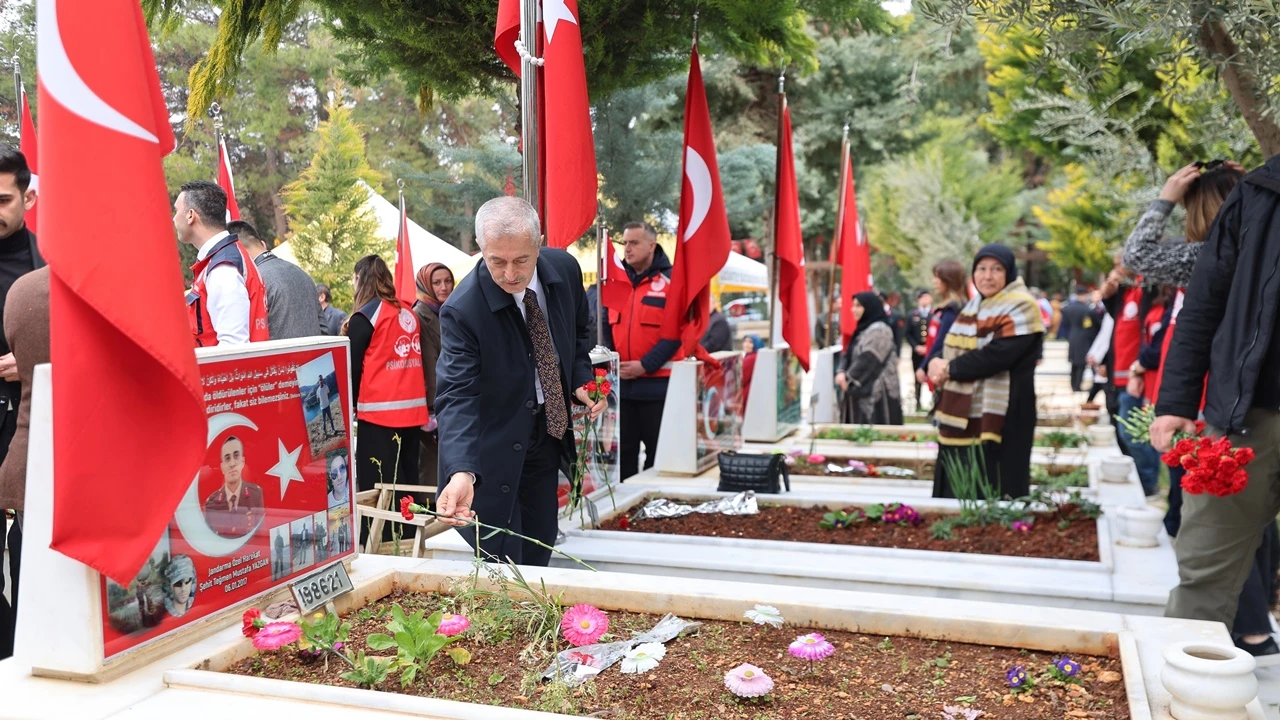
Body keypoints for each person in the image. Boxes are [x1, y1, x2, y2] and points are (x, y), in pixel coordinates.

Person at [1131, 160, 1280, 661]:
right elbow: (1203, 306)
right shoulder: (1259, 191)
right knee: (1206, 566)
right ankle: (1187, 691)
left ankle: (1255, 636)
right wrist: (1173, 402)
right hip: (1245, 412)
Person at [433, 196, 606, 566]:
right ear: (480, 249)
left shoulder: (565, 271)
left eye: (521, 260)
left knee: (541, 541)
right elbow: (456, 394)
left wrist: (580, 381)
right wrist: (461, 469)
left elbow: (577, 335)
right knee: (501, 554)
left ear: (539, 245)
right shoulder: (462, 310)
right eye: (497, 261)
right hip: (493, 446)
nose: (510, 273)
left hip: (547, 430)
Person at [928, 244, 1044, 499]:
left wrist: (948, 368)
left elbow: (997, 356)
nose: (987, 276)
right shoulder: (973, 307)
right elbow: (949, 346)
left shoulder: (1022, 306)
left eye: (996, 269)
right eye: (981, 269)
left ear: (1009, 273)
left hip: (1007, 411)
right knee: (959, 480)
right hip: (963, 411)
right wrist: (935, 361)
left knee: (997, 483)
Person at [345, 255, 428, 544]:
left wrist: (349, 407)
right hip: (412, 414)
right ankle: (406, 538)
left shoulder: (365, 317)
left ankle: (375, 541)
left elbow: (351, 368)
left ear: (361, 279)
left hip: (379, 415)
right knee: (407, 482)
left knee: (377, 484)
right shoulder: (407, 312)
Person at [601, 222, 682, 480]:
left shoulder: (672, 283)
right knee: (623, 458)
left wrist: (645, 365)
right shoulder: (616, 282)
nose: (627, 249)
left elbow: (676, 334)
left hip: (657, 388)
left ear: (651, 245)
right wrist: (613, 365)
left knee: (657, 459)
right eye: (625, 243)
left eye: (634, 243)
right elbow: (605, 326)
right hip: (622, 390)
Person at [0, 147, 40, 660]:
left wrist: (30, 360)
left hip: (32, 425)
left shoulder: (49, 265)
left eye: (3, 199)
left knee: (28, 550)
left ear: (28, 198)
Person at [175, 181, 269, 346]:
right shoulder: (225, 258)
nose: (174, 218)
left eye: (176, 211)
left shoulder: (223, 268)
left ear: (190, 215)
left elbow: (233, 347)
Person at [231, 220, 323, 339]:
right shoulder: (303, 274)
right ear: (263, 244)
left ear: (238, 254)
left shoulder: (253, 283)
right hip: (317, 355)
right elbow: (324, 329)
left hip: (277, 356)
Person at [413, 262, 455, 492]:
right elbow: (429, 364)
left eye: (448, 281)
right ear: (426, 285)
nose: (444, 287)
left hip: (451, 397)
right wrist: (431, 407)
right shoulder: (421, 314)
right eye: (437, 282)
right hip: (434, 403)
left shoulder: (450, 311)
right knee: (431, 468)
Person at [836, 291, 903, 424]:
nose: (853, 309)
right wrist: (841, 371)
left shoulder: (880, 330)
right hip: (861, 388)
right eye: (853, 305)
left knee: (876, 435)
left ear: (869, 308)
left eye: (858, 306)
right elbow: (849, 353)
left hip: (878, 393)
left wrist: (849, 379)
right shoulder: (862, 329)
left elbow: (869, 360)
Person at [916, 260, 968, 401]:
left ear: (949, 280)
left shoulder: (953, 309)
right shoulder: (944, 308)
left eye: (938, 277)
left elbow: (941, 341)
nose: (934, 282)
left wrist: (924, 366)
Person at [203, 436, 266, 538]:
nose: (232, 464)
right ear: (222, 467)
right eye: (227, 459)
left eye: (236, 456)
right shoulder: (211, 504)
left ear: (243, 462)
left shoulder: (256, 495)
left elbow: (261, 535)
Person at [1058, 286, 1099, 391]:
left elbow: (1065, 324)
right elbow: (1092, 325)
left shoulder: (1068, 308)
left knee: (1074, 362)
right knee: (1081, 362)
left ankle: (1073, 384)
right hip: (1084, 337)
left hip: (1072, 335)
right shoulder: (1087, 310)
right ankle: (1077, 385)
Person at [906, 290, 933, 410]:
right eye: (922, 298)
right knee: (917, 376)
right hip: (917, 351)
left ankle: (934, 402)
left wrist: (929, 347)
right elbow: (907, 333)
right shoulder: (912, 314)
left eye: (927, 297)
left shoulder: (935, 314)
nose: (925, 300)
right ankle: (917, 403)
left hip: (931, 351)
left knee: (932, 376)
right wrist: (915, 346)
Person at [740, 334, 764, 410]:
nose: (746, 344)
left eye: (750, 342)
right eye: (745, 341)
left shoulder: (750, 359)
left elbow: (742, 379)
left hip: (748, 394)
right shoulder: (758, 355)